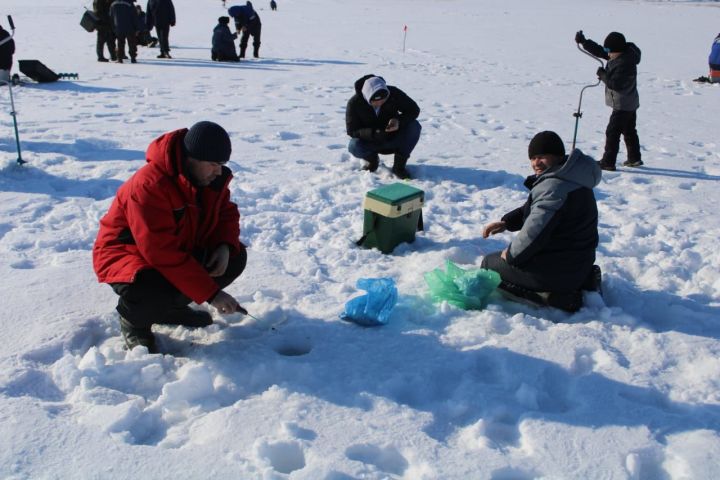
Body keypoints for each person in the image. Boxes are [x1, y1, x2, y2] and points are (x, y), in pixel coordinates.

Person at [93, 121, 248, 353]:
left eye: (221, 165)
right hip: (126, 255)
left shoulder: (206, 178)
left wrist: (223, 245)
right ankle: (134, 322)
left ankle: (168, 310)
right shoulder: (149, 185)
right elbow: (159, 251)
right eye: (213, 164)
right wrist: (211, 293)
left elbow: (225, 212)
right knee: (150, 287)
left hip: (173, 249)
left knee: (235, 258)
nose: (218, 171)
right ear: (191, 158)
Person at [481, 131, 602, 312]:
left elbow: (535, 233)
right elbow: (538, 209)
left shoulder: (555, 187)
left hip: (559, 270)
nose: (536, 163)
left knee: (489, 265)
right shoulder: (573, 178)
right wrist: (507, 222)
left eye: (542, 157)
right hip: (579, 262)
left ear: (558, 157)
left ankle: (555, 298)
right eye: (533, 158)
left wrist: (512, 255)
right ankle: (581, 281)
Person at [576, 30, 642, 171]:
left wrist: (602, 74)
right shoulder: (622, 54)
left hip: (622, 105)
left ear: (617, 50)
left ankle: (608, 162)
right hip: (630, 103)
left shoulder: (624, 63)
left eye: (610, 51)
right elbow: (601, 51)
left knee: (612, 132)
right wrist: (584, 42)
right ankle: (634, 158)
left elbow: (615, 84)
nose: (608, 54)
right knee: (629, 130)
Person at [345, 74, 421, 179]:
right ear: (367, 96)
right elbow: (352, 130)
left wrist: (398, 121)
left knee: (414, 126)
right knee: (354, 145)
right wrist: (373, 133)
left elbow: (413, 110)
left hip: (394, 137)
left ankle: (399, 167)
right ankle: (372, 161)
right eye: (375, 101)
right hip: (371, 141)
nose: (380, 103)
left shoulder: (393, 93)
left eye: (383, 99)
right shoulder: (354, 103)